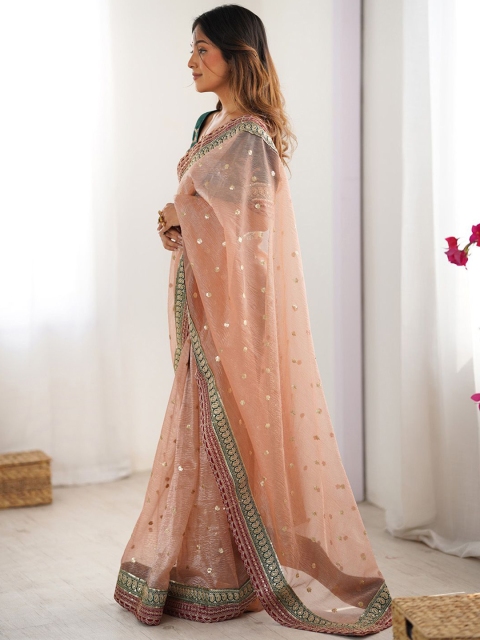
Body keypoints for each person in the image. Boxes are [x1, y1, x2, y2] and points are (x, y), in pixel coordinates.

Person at [113, 5, 392, 635]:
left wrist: (186, 216)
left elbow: (257, 228)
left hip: (237, 310)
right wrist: (178, 221)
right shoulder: (210, 124)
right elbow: (206, 210)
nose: (190, 60)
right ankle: (206, 567)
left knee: (228, 427)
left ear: (238, 55)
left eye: (202, 49)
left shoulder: (251, 136)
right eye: (192, 49)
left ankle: (227, 574)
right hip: (202, 303)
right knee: (201, 428)